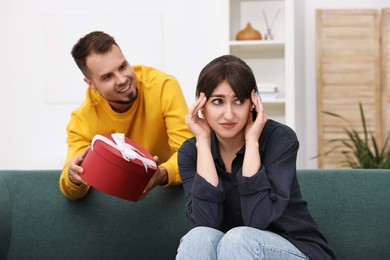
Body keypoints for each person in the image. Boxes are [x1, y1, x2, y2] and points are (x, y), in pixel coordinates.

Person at [176, 55, 336, 259]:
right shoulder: (191, 151)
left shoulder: (280, 139)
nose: (229, 114)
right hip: (235, 250)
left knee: (239, 239)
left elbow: (257, 220)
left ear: (253, 103)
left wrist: (252, 143)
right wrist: (203, 143)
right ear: (201, 104)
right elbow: (206, 221)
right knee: (197, 238)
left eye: (239, 101)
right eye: (217, 102)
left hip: (295, 250)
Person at [59, 31, 193, 200]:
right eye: (107, 77)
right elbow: (70, 188)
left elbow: (188, 153)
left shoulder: (163, 86)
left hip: (168, 193)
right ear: (90, 83)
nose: (122, 79)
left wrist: (162, 173)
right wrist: (73, 177)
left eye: (123, 66)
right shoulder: (82, 119)